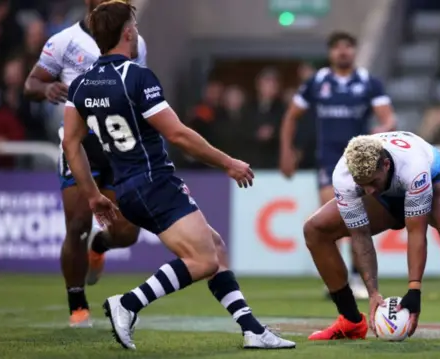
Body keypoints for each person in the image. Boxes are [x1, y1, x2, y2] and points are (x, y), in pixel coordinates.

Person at [61, 1, 295, 351]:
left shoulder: (80, 85)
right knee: (203, 261)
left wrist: (94, 195)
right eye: (135, 28)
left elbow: (70, 144)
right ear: (127, 33)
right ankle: (128, 304)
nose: (137, 32)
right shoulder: (136, 77)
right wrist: (229, 162)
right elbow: (179, 135)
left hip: (127, 189)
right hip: (155, 182)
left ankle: (251, 329)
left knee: (213, 246)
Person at [23, 0, 147, 328]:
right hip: (79, 142)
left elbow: (136, 87)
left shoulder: (134, 40)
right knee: (77, 223)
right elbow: (31, 84)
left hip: (118, 145)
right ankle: (77, 303)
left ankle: (101, 245)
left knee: (127, 232)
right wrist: (47, 87)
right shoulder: (64, 42)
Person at [303, 131, 440, 344]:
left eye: (372, 181)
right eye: (361, 184)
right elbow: (360, 235)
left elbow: (416, 232)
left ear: (385, 165)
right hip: (388, 193)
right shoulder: (344, 175)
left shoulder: (413, 166)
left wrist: (414, 290)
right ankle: (351, 320)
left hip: (434, 176)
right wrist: (373, 293)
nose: (367, 190)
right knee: (314, 229)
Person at [280, 31, 397, 299]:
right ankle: (338, 279)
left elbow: (389, 118)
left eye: (348, 46)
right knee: (335, 219)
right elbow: (291, 117)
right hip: (328, 161)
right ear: (331, 53)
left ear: (354, 51)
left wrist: (384, 129)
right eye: (337, 47)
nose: (342, 52)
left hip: (360, 163)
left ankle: (356, 277)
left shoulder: (368, 82)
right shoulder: (317, 82)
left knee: (356, 219)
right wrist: (287, 151)